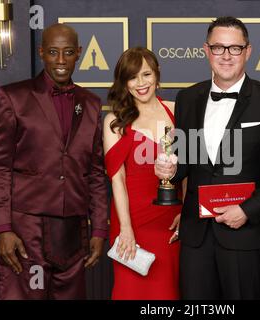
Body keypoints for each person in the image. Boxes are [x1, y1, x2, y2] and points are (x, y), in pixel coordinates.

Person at [155, 16, 260, 299]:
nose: (226, 56)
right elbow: (187, 158)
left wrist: (247, 210)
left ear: (248, 51)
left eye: (234, 48)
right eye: (218, 48)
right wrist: (168, 169)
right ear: (206, 51)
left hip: (243, 232)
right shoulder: (188, 98)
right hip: (196, 233)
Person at [0, 23, 108, 299]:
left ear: (79, 53)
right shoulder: (13, 97)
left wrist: (99, 228)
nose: (61, 60)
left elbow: (95, 173)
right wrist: (3, 229)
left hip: (72, 231)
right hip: (26, 229)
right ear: (42, 52)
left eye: (68, 52)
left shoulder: (90, 103)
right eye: (53, 52)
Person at [103, 47, 182, 300]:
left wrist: (186, 211)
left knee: (166, 291)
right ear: (124, 82)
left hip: (169, 218)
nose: (141, 83)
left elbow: (190, 170)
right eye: (133, 77)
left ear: (157, 76)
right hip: (132, 219)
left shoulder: (176, 110)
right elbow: (117, 177)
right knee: (131, 291)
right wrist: (125, 227)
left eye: (146, 74)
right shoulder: (115, 120)